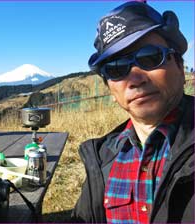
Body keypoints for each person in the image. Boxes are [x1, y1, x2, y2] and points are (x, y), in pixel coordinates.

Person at [71, 1, 194, 223]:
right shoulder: (102, 158)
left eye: (149, 57)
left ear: (179, 66)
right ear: (110, 88)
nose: (135, 80)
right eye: (116, 68)